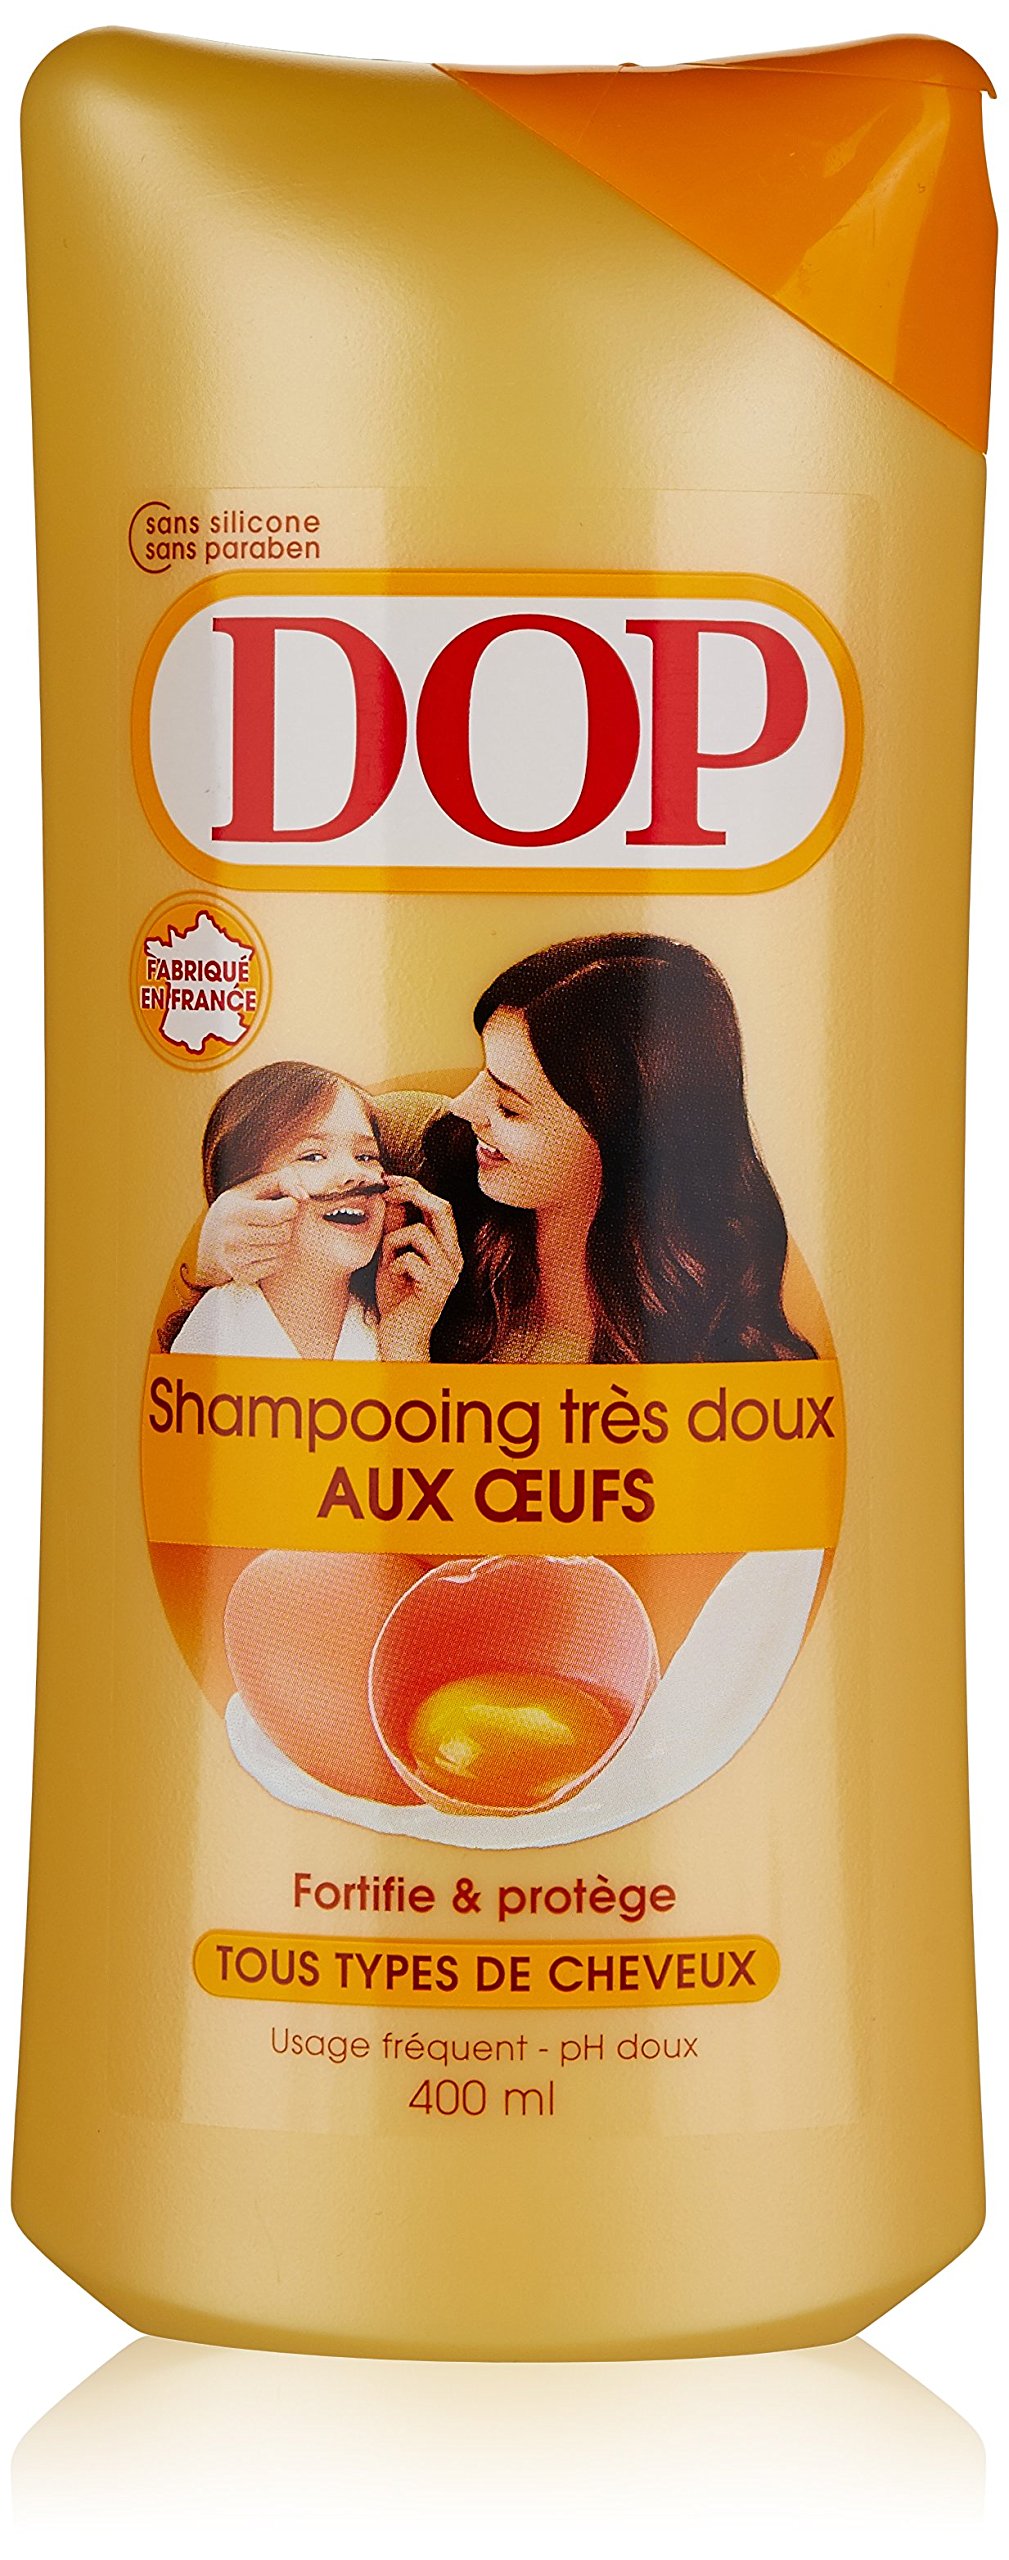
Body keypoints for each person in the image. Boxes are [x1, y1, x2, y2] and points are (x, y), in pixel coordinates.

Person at [424, 933, 815, 1364]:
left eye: (510, 1107)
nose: (463, 1106)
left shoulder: (738, 1357)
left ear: (622, 1143)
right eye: (485, 1074)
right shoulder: (425, 1151)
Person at [165, 1059, 462, 1360]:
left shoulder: (390, 1324)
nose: (355, 1175)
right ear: (247, 1191)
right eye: (313, 1156)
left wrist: (406, 1342)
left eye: (366, 1156)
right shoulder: (218, 1325)